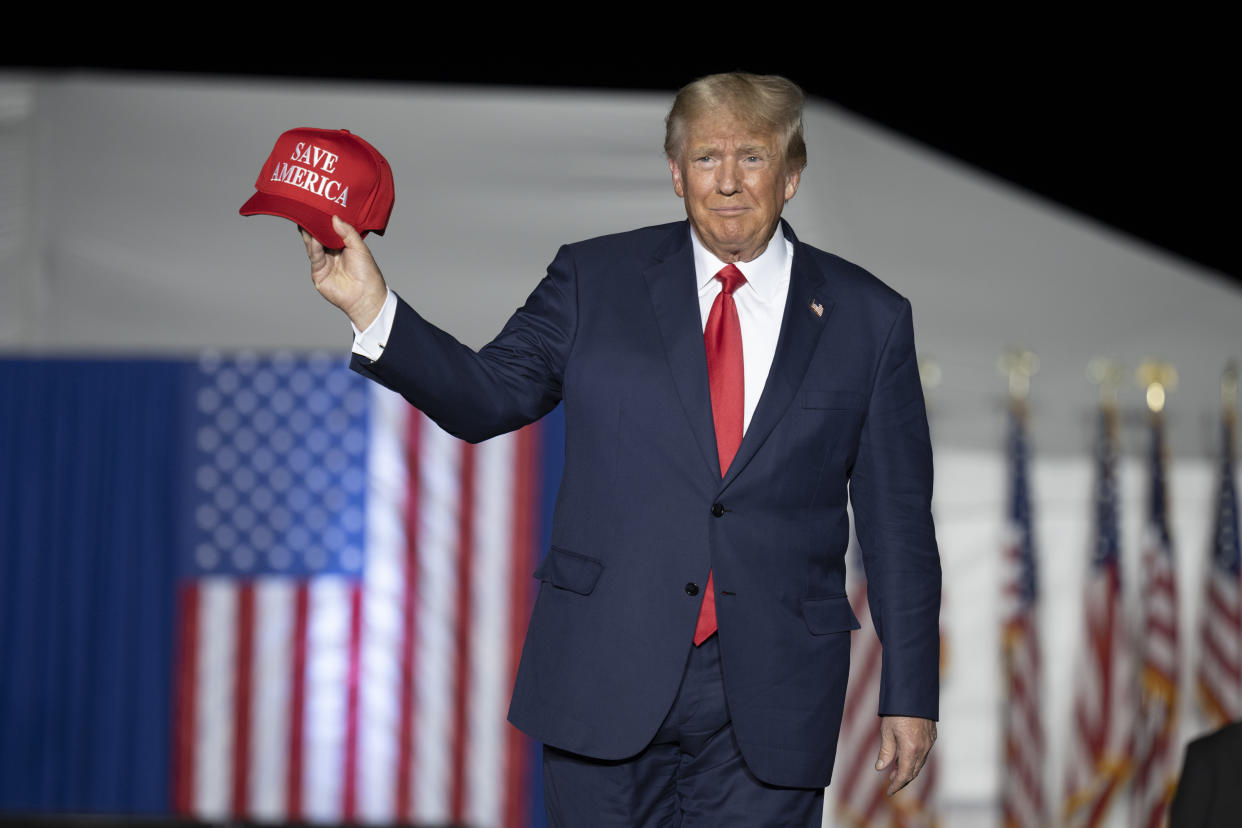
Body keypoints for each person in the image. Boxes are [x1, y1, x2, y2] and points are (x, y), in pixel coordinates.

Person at [302, 72, 940, 827]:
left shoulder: (869, 317)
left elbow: (898, 525)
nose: (728, 182)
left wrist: (910, 692)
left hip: (772, 693)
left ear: (793, 172)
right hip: (603, 671)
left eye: (752, 157)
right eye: (706, 158)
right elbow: (484, 399)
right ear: (675, 174)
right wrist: (372, 307)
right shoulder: (592, 279)